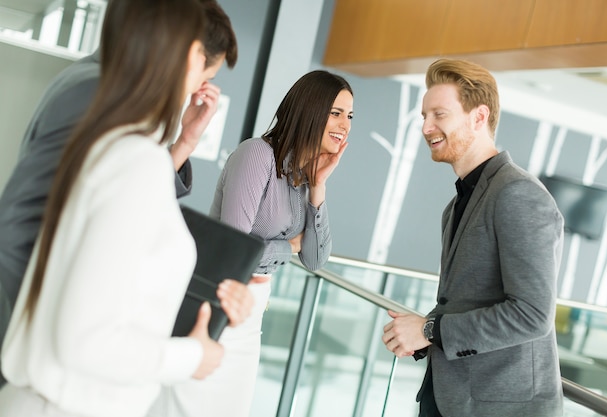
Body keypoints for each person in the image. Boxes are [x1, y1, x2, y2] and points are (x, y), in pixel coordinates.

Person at [0, 0, 251, 416]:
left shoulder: (115, 139)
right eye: (202, 77)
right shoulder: (128, 146)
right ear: (190, 54)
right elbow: (85, 337)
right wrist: (192, 355)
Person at [149, 69, 353, 417]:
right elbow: (235, 252)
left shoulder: (305, 178)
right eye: (335, 113)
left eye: (349, 116)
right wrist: (288, 247)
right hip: (218, 305)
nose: (344, 124)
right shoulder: (257, 155)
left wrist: (319, 188)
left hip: (252, 315)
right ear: (310, 109)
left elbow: (317, 259)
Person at [382, 58, 565, 417]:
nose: (426, 126)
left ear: (478, 117)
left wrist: (431, 330)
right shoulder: (456, 205)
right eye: (423, 116)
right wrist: (419, 333)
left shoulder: (519, 194)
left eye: (439, 114)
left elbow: (532, 315)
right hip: (453, 397)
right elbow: (467, 300)